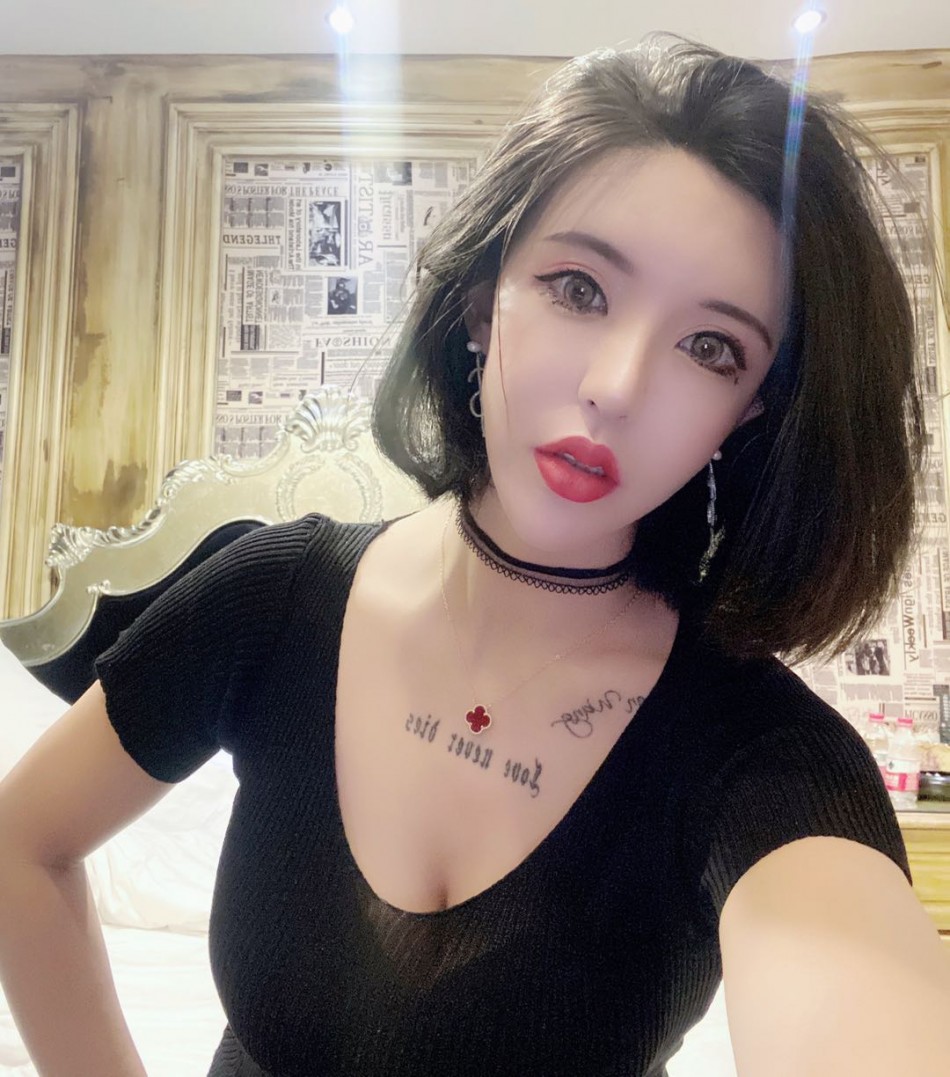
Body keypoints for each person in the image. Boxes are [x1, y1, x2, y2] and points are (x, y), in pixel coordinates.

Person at [2, 35, 950, 1077]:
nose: (616, 386)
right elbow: (20, 844)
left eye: (709, 347)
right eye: (578, 287)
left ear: (749, 410)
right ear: (480, 300)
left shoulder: (757, 752)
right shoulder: (271, 598)